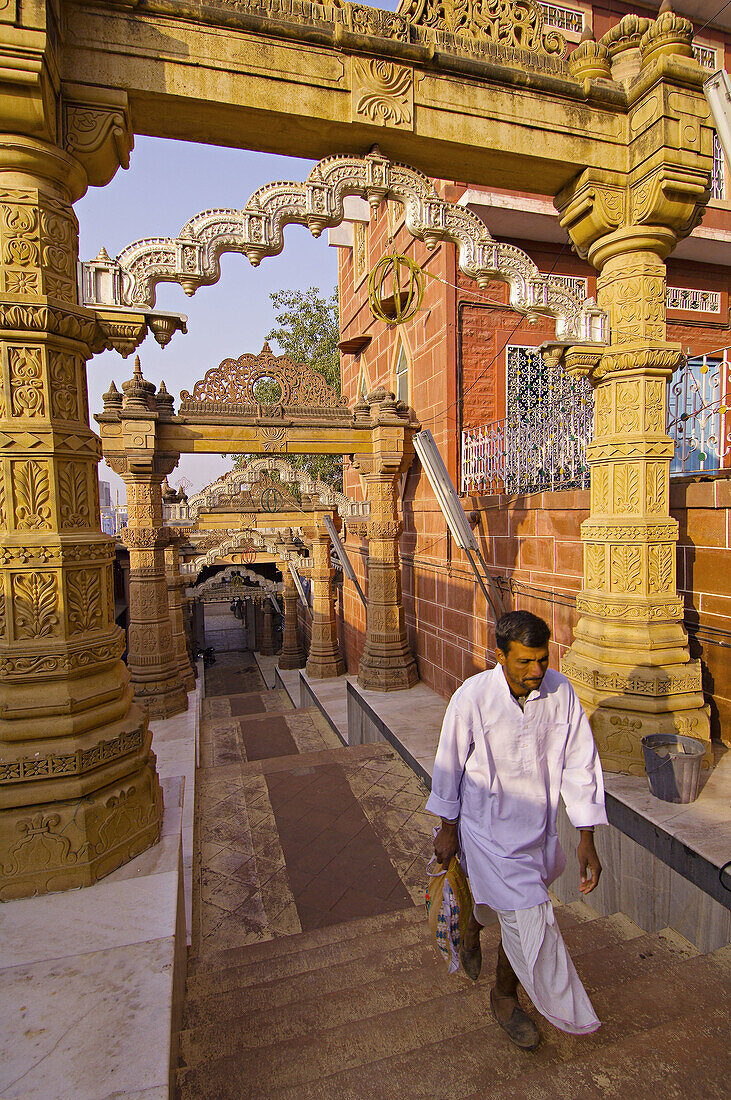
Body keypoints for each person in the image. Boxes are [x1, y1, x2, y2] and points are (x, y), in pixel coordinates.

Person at [426, 610, 607, 1051]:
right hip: (486, 832)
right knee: (530, 915)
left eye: (543, 660)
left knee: (512, 911)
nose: (536, 671)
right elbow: (448, 763)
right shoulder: (473, 698)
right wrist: (447, 829)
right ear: (500, 655)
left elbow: (581, 763)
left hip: (538, 832)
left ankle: (471, 927)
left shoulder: (561, 694)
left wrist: (586, 837)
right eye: (525, 661)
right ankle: (506, 998)